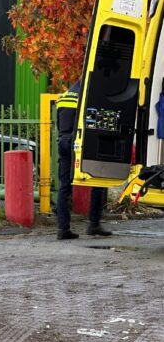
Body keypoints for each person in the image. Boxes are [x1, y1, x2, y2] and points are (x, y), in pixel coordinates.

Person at [56, 81, 112, 239]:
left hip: (63, 141)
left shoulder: (64, 96)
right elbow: (94, 122)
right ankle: (94, 224)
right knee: (97, 181)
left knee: (64, 186)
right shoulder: (87, 96)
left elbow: (59, 124)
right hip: (80, 142)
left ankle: (63, 229)